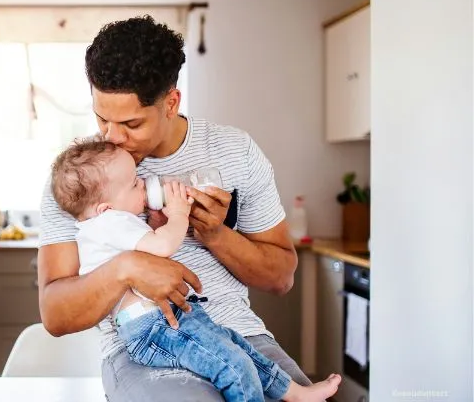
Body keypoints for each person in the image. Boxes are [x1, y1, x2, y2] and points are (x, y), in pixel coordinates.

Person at [38, 16, 317, 401]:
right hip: (145, 344)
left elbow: (281, 278)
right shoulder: (81, 177)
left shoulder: (235, 152)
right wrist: (127, 267)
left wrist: (215, 234)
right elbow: (55, 314)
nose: (112, 137)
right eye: (102, 118)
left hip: (239, 335)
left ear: (171, 103)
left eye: (131, 123)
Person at [49, 140, 340, 402]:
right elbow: (162, 246)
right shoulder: (110, 222)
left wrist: (157, 225)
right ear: (105, 208)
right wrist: (178, 214)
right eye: (135, 184)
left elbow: (147, 251)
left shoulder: (107, 225)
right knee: (234, 365)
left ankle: (294, 392)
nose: (145, 185)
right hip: (154, 328)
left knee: (238, 348)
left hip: (168, 321)